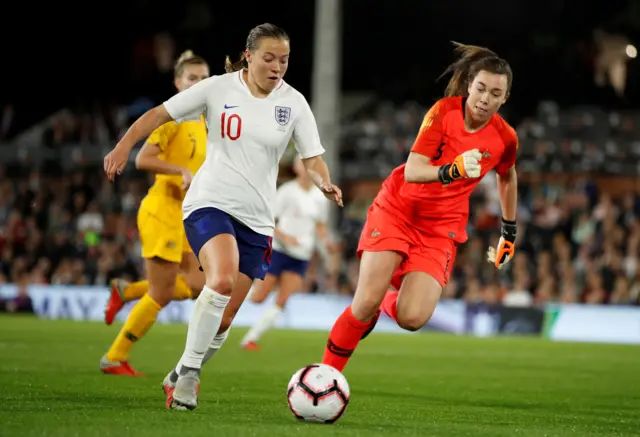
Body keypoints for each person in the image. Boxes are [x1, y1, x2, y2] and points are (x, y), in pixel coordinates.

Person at [103, 23, 343, 410]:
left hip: (258, 221)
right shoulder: (218, 88)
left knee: (226, 318)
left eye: (283, 59)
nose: (277, 66)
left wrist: (323, 182)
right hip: (210, 203)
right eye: (268, 58)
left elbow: (313, 158)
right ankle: (191, 379)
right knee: (222, 278)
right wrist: (123, 147)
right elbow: (159, 114)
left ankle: (179, 371)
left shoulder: (294, 103)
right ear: (248, 56)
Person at [321, 43, 519, 372]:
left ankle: (384, 299)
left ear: (504, 98)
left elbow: (508, 177)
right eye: (481, 88)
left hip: (440, 228)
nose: (485, 99)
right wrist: (451, 170)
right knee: (363, 302)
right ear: (469, 84)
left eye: (495, 93)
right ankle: (324, 377)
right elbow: (413, 170)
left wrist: (508, 231)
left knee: (412, 318)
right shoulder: (443, 113)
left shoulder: (505, 138)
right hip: (398, 210)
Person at [100, 50, 209, 376]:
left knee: (198, 287)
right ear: (178, 83)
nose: (199, 84)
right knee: (162, 292)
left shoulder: (205, 121)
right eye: (192, 78)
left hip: (189, 215)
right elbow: (143, 159)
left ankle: (128, 290)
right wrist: (179, 171)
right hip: (162, 210)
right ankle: (115, 357)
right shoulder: (172, 118)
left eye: (204, 79)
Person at [240, 156, 334, 350]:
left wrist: (327, 243)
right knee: (258, 298)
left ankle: (251, 338)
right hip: (280, 250)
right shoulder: (287, 192)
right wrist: (285, 237)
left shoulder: (319, 197)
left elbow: (320, 226)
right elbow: (269, 220)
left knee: (282, 300)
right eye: (302, 163)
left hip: (302, 255)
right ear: (296, 168)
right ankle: (231, 292)